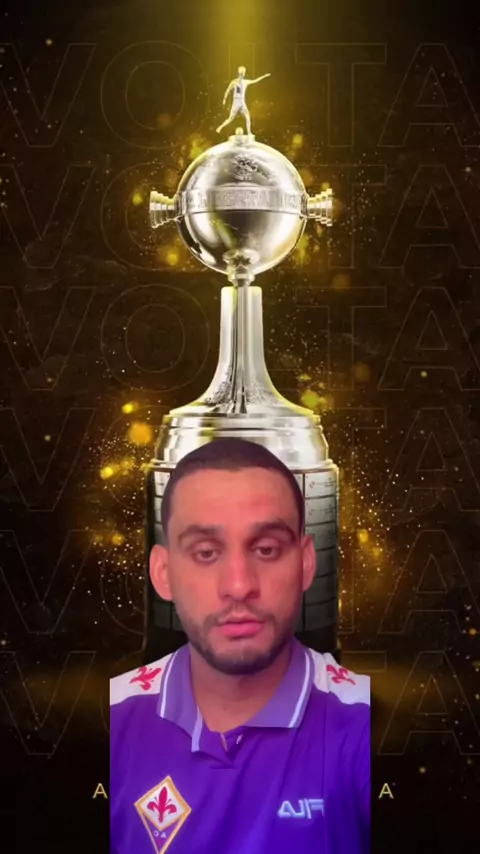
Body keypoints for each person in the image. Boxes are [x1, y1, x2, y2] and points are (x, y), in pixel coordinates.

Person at [110, 438, 370, 854]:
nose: (238, 585)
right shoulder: (109, 719)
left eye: (266, 549)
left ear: (306, 563)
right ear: (162, 573)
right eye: (206, 552)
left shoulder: (366, 724)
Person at [216, 66, 271, 135]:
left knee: (247, 117)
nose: (243, 74)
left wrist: (264, 76)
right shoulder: (234, 81)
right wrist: (224, 99)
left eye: (244, 72)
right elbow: (228, 90)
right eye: (242, 72)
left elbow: (255, 80)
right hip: (236, 101)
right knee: (230, 118)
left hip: (242, 101)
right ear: (239, 72)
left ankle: (249, 132)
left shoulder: (245, 82)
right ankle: (220, 127)